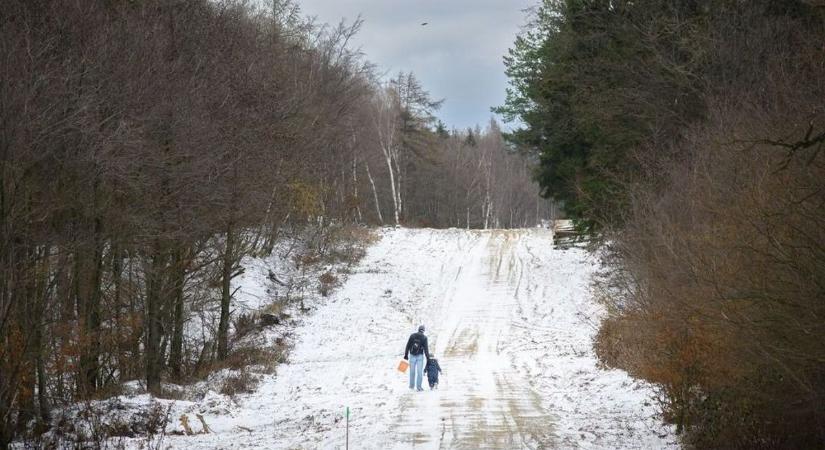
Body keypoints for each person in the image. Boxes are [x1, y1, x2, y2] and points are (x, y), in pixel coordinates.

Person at [404, 325, 430, 392]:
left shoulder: (412, 335)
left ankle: (411, 386)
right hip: (420, 356)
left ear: (418, 329)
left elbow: (408, 345)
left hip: (412, 355)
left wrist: (406, 355)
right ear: (423, 331)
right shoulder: (424, 338)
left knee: (412, 372)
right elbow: (426, 349)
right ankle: (419, 387)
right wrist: (428, 358)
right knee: (419, 372)